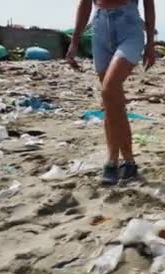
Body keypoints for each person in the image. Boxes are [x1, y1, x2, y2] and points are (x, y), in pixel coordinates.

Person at [66, 0, 156, 185]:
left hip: (129, 27)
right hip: (99, 28)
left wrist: (150, 44)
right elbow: (85, 4)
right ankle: (128, 162)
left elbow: (149, 4)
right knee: (112, 101)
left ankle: (112, 161)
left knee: (108, 91)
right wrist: (74, 41)